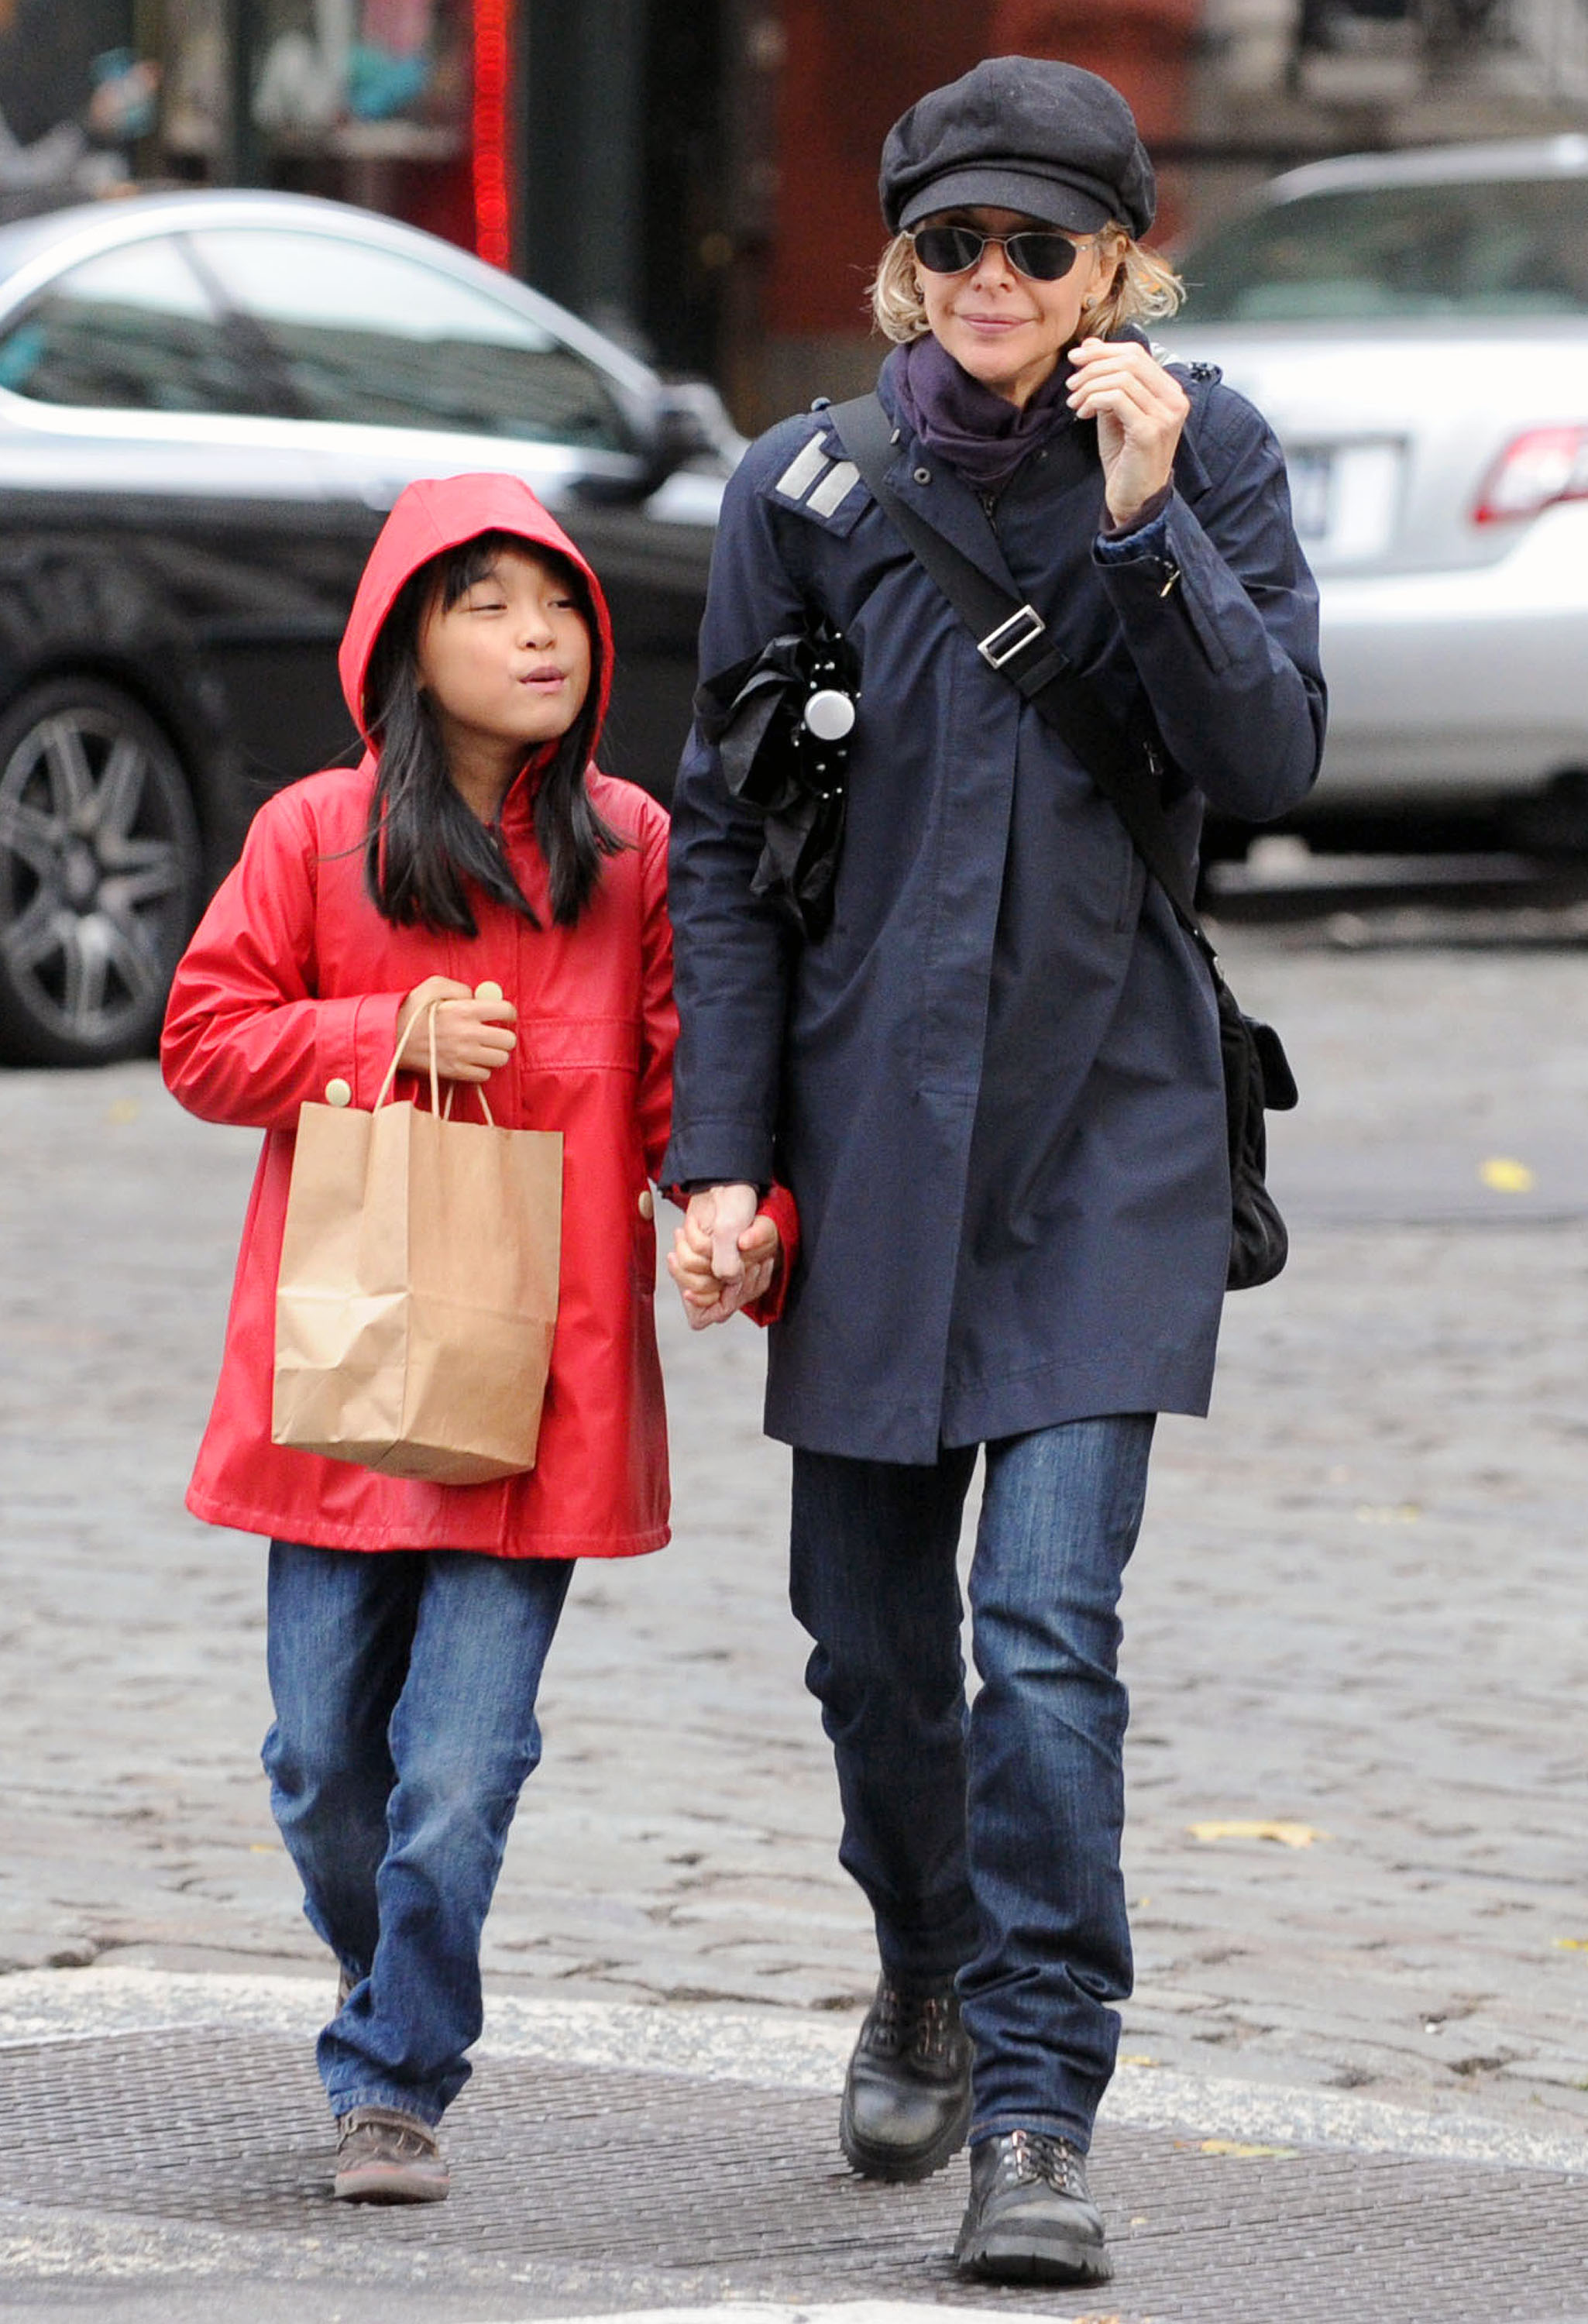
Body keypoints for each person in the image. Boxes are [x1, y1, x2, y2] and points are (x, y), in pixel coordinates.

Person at [663, 56, 1324, 2287]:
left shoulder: (1201, 448)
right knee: (867, 1651)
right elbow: (730, 858)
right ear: (902, 259)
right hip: (859, 1142)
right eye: (954, 242)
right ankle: (923, 1959)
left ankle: (1036, 2104)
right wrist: (722, 1161)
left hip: (1103, 1133)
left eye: (1043, 245)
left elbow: (1267, 756)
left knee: (1043, 1638)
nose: (992, 281)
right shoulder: (804, 492)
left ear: (1116, 266)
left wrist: (1144, 538)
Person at [162, 473, 795, 2205]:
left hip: (543, 1391)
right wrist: (376, 1028)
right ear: (402, 644)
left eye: (561, 605)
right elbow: (203, 1040)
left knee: (452, 1779)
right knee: (317, 1771)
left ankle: (394, 2078)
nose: (539, 636)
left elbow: (690, 1091)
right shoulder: (310, 836)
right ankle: (393, 1991)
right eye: (487, 605)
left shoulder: (635, 852)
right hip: (339, 1392)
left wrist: (737, 1222)